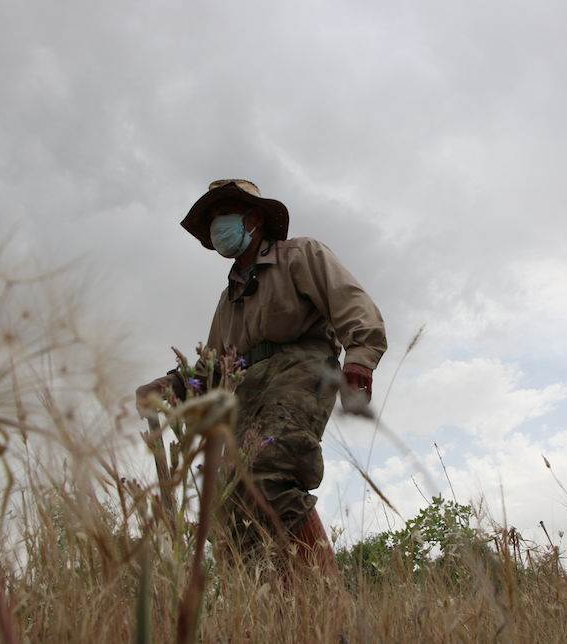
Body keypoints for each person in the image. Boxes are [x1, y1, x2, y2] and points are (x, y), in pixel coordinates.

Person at [136, 179, 386, 577]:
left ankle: (329, 600)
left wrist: (361, 353)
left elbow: (351, 302)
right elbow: (212, 366)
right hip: (247, 392)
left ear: (255, 218)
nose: (218, 226)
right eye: (213, 219)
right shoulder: (229, 297)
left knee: (267, 472)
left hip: (301, 372)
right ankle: (275, 609)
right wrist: (172, 386)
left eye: (224, 214)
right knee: (231, 497)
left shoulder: (301, 254)